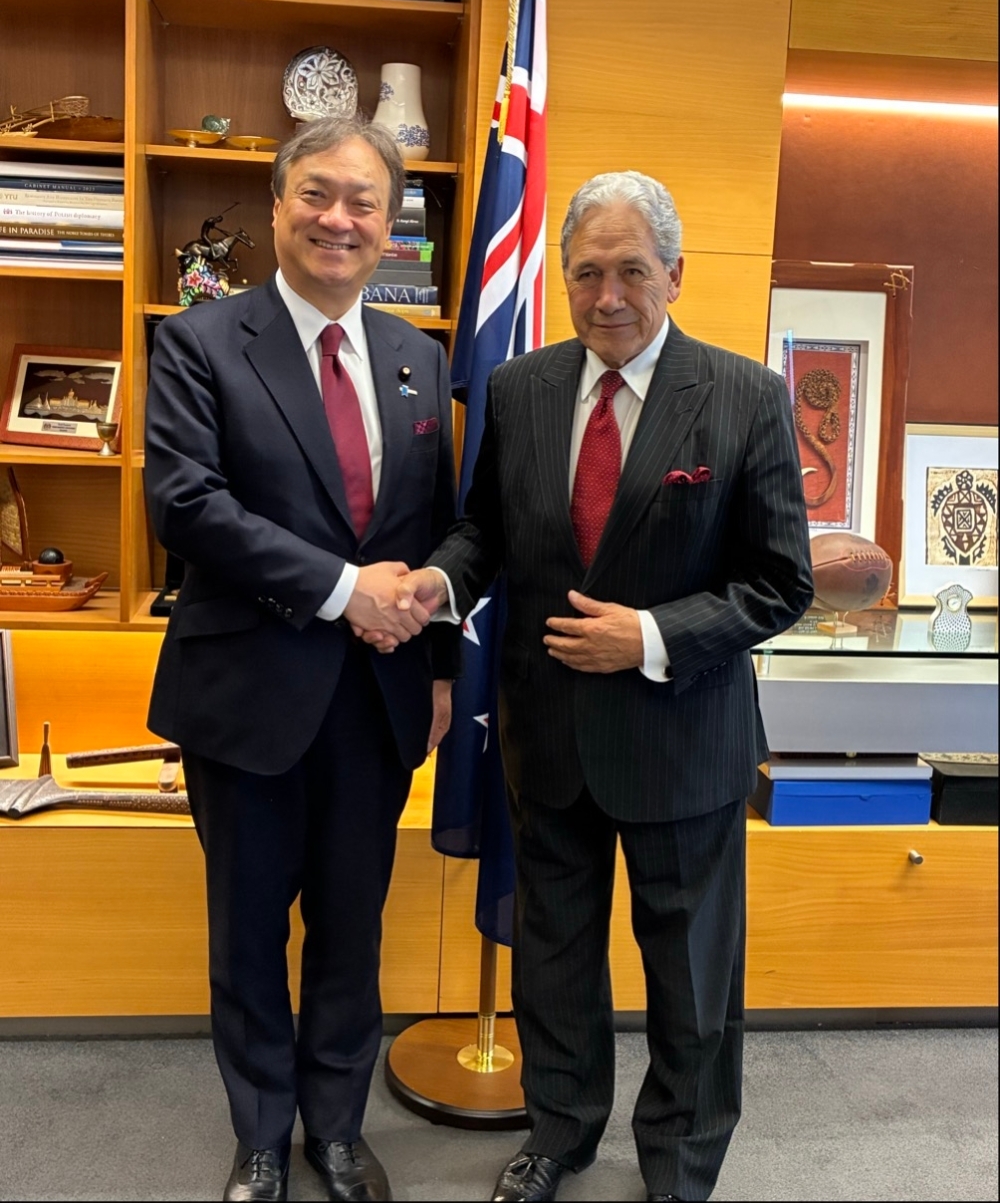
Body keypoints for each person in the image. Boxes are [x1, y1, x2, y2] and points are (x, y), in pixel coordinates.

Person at [390, 172, 813, 1202]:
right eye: (587, 271)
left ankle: (677, 1161)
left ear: (673, 273)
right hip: (549, 737)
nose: (608, 293)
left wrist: (654, 636)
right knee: (554, 963)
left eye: (631, 270)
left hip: (682, 735)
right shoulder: (521, 388)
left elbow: (780, 582)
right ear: (565, 278)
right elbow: (486, 529)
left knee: (692, 977)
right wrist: (443, 578)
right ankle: (562, 1133)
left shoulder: (745, 394)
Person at [144, 115, 460, 1203]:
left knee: (348, 925)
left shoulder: (421, 356)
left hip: (375, 698)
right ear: (278, 206)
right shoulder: (198, 341)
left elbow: (439, 526)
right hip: (247, 696)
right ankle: (262, 1135)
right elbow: (185, 504)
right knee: (246, 931)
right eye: (317, 194)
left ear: (390, 224)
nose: (340, 219)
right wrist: (343, 589)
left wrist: (440, 667)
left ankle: (336, 1123)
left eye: (364, 202)